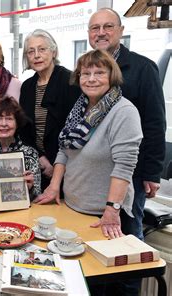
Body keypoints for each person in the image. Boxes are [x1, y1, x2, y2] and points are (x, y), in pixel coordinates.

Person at [34, 49, 142, 242]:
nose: (91, 79)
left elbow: (124, 167)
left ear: (112, 76)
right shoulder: (80, 108)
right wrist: (53, 187)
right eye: (86, 73)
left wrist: (112, 210)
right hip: (71, 206)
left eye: (99, 73)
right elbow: (64, 150)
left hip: (104, 216)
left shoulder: (124, 112)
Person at [87, 7, 166, 241]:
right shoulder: (86, 70)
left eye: (108, 27)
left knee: (128, 235)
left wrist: (152, 172)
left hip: (132, 171)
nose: (101, 33)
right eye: (95, 28)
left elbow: (154, 123)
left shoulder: (143, 68)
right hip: (97, 171)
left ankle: (131, 278)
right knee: (99, 233)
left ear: (121, 31)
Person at [18, 29, 81, 190]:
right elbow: (24, 130)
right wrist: (40, 158)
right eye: (31, 51)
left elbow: (76, 129)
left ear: (54, 52)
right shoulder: (27, 87)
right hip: (38, 164)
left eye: (42, 49)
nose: (36, 55)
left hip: (69, 165)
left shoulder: (71, 81)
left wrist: (57, 164)